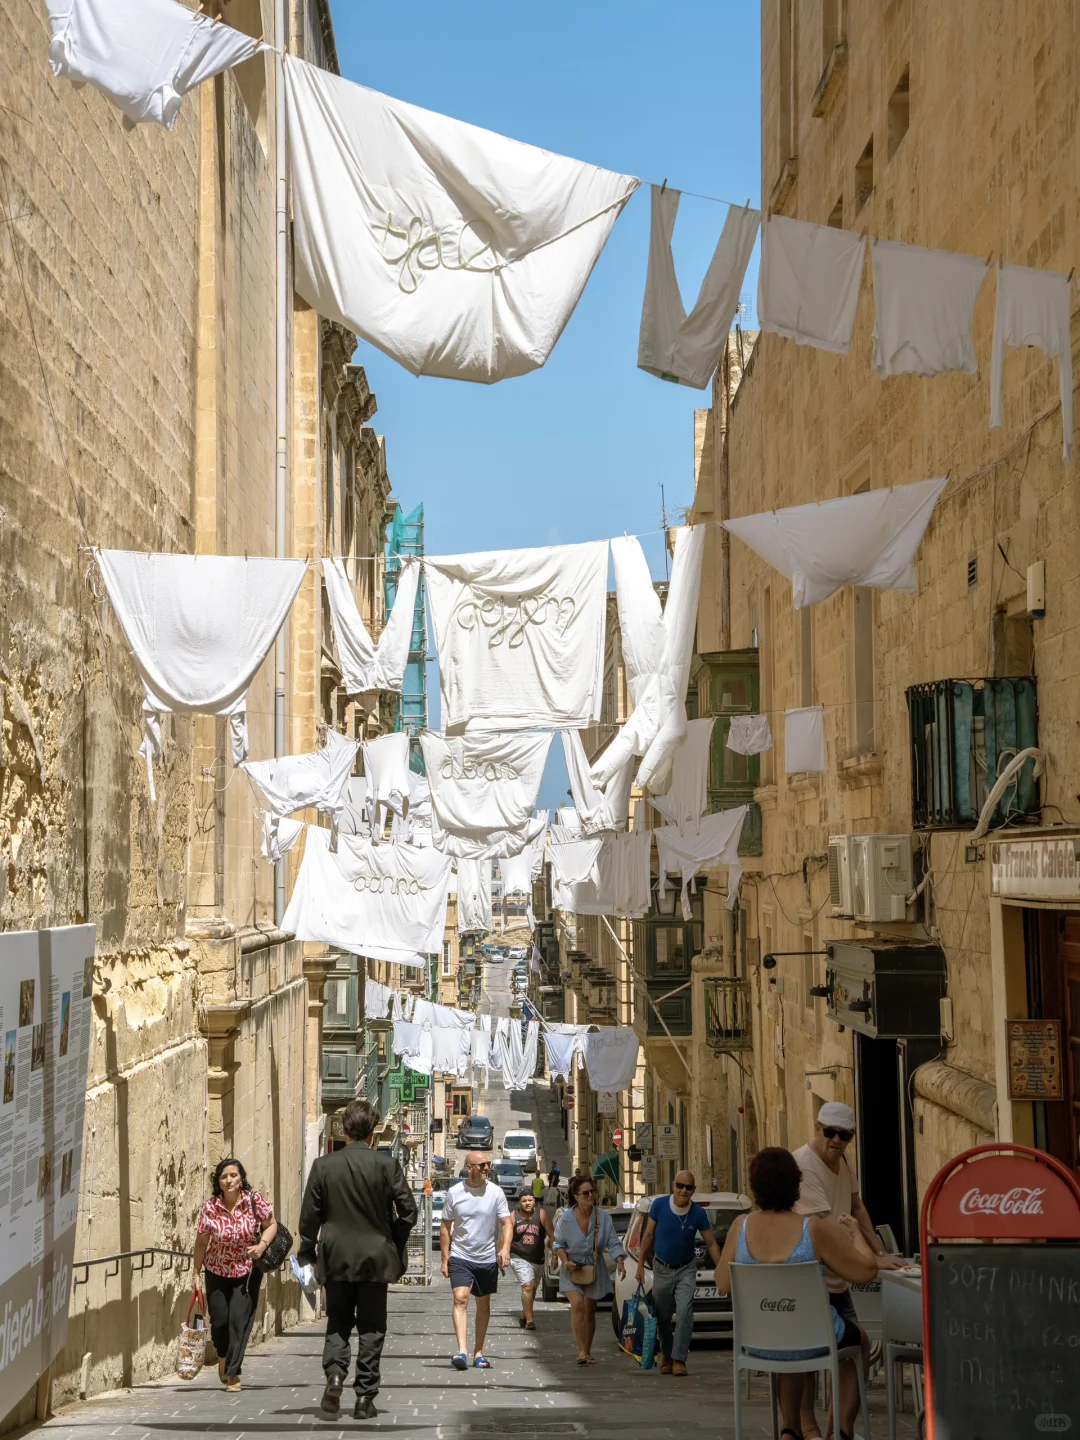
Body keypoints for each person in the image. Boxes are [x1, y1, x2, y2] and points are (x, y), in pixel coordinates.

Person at [715, 1148, 878, 1440]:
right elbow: (866, 1271)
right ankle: (840, 1430)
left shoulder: (741, 1227)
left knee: (787, 1341)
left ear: (755, 1188)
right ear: (795, 1185)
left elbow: (722, 1283)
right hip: (813, 1338)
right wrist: (856, 1235)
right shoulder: (812, 1230)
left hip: (759, 1342)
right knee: (860, 1340)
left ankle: (790, 1428)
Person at [298, 1098, 417, 1421]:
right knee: (372, 1326)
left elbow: (310, 1216)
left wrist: (308, 1249)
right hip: (376, 1257)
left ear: (345, 1130)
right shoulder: (387, 1166)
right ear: (373, 1134)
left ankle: (335, 1374)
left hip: (335, 1255)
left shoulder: (324, 1166)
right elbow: (409, 1211)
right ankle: (365, 1396)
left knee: (338, 1319)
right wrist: (393, 1240)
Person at [792, 1103, 904, 1440]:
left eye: (845, 1136)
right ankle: (810, 1430)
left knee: (855, 1350)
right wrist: (866, 1259)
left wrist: (880, 1253)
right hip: (813, 1276)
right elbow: (826, 1226)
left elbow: (856, 1206)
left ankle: (838, 1432)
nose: (836, 1141)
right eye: (830, 1133)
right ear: (818, 1127)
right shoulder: (805, 1165)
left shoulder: (843, 1161)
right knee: (814, 1352)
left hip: (836, 1277)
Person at [192, 1157, 278, 1393]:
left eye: (233, 1175)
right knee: (219, 1322)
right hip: (216, 1271)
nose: (229, 1180)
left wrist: (261, 1246)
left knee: (237, 1323)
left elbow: (272, 1224)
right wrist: (196, 1273)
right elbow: (201, 1242)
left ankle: (233, 1374)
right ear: (218, 1182)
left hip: (245, 1272)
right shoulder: (210, 1207)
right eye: (223, 1176)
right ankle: (223, 1355)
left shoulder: (253, 1201)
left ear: (241, 1179)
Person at [635, 1170, 722, 1376]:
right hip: (662, 1268)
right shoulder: (659, 1206)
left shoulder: (699, 1214)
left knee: (684, 1312)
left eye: (688, 1187)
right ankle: (666, 1352)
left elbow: (711, 1243)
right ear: (673, 1185)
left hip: (686, 1268)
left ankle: (679, 1359)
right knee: (662, 1314)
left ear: (693, 1190)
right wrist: (639, 1265)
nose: (684, 1190)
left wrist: (721, 1272)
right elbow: (648, 1236)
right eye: (680, 1186)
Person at [441, 1152, 512, 1370]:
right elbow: (445, 1226)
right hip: (461, 1255)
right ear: (469, 1168)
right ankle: (461, 1351)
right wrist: (445, 1258)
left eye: (487, 1165)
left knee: (483, 1303)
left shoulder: (495, 1192)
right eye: (481, 1165)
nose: (486, 1168)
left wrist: (505, 1249)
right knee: (460, 1298)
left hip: (487, 1256)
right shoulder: (454, 1193)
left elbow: (507, 1223)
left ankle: (478, 1352)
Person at [552, 1175, 626, 1365]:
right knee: (577, 1305)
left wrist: (619, 1260)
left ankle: (588, 1349)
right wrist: (565, 1261)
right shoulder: (566, 1219)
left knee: (590, 1309)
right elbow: (558, 1244)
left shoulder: (604, 1217)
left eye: (592, 1191)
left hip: (593, 1268)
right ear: (575, 1196)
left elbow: (613, 1241)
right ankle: (581, 1351)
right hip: (571, 1268)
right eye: (585, 1193)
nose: (590, 1195)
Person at [508, 1191, 554, 1330]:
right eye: (524, 1201)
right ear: (519, 1203)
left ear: (534, 1201)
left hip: (538, 1259)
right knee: (527, 1286)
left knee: (532, 1291)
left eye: (530, 1200)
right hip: (518, 1256)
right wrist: (502, 1254)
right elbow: (505, 1237)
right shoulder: (513, 1216)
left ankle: (523, 1316)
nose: (527, 1203)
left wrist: (555, 1255)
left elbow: (552, 1236)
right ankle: (530, 1321)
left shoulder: (542, 1214)